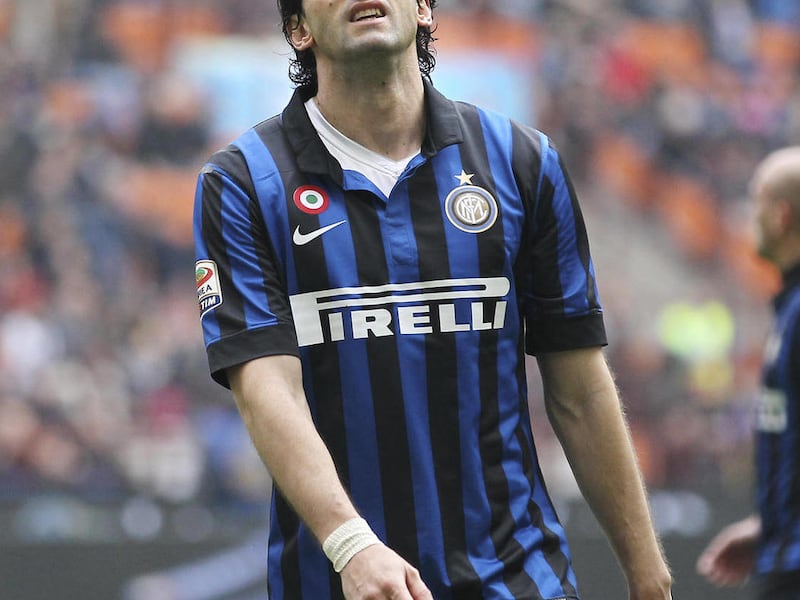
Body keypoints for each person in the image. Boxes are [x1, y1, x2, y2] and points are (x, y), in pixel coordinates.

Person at [193, 1, 672, 598]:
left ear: (423, 9)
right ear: (299, 29)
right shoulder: (241, 183)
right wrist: (352, 545)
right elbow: (267, 391)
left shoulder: (522, 162)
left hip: (518, 579)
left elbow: (580, 389)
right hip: (343, 581)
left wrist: (648, 572)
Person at [697, 146, 800, 599]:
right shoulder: (788, 309)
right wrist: (771, 525)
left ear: (781, 216)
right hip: (783, 553)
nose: (747, 217)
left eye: (754, 202)